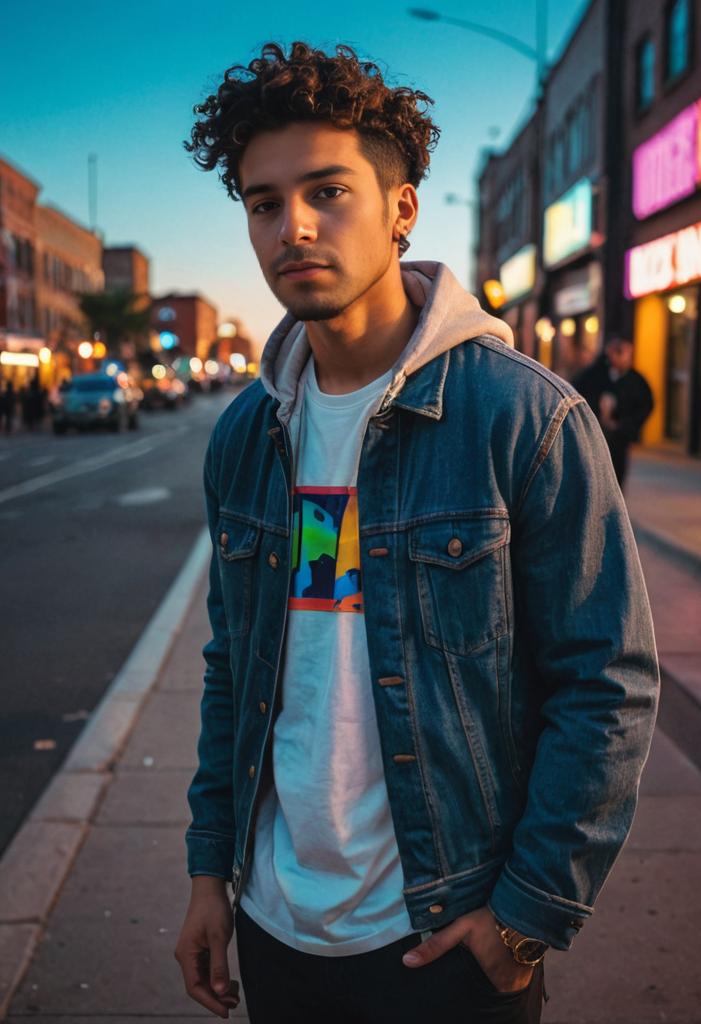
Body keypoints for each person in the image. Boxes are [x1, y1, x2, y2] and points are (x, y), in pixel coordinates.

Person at [175, 42, 659, 1024]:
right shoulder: (245, 437)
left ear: (401, 209)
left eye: (328, 191)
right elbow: (237, 667)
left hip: (448, 938)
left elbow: (607, 680)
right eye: (264, 203)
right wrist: (207, 874)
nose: (293, 227)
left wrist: (528, 912)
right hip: (275, 930)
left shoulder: (523, 418)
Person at [573, 336, 654, 489]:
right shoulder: (594, 374)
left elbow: (645, 405)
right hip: (594, 432)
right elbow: (577, 392)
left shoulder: (636, 380)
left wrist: (624, 425)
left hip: (619, 435)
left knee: (617, 473)